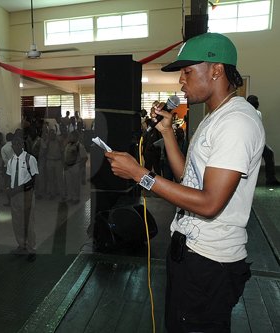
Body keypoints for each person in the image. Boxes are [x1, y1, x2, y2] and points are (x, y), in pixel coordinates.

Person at [106, 33, 264, 332]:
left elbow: (208, 203)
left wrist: (140, 174)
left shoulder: (237, 122)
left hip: (210, 263)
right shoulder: (214, 117)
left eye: (188, 71)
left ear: (216, 70)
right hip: (191, 253)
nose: (181, 81)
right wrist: (167, 131)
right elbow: (186, 180)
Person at [6, 135, 39, 262]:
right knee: (17, 222)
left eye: (18, 143)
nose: (16, 146)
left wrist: (18, 189)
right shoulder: (11, 161)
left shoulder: (30, 159)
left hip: (27, 195)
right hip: (14, 195)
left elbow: (35, 179)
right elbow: (9, 176)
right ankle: (21, 245)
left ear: (22, 145)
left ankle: (32, 249)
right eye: (14, 144)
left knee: (29, 222)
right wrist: (8, 188)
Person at [246, 94, 280, 186]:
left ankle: (271, 179)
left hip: (258, 141)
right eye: (255, 101)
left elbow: (259, 129)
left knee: (269, 153)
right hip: (247, 141)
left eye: (257, 101)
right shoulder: (245, 112)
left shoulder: (258, 113)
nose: (257, 103)